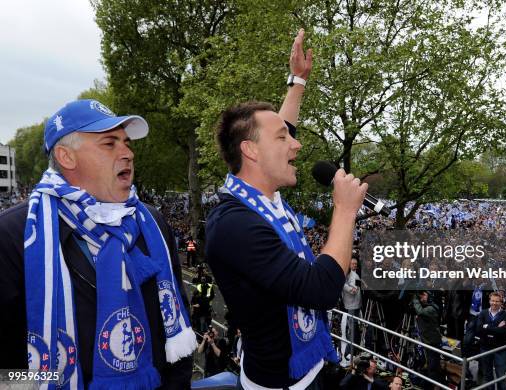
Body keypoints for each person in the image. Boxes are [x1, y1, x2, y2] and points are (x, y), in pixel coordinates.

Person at [205, 29, 368, 389]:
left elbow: (278, 128)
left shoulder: (257, 196)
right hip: (282, 382)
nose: (296, 145)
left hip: (305, 368)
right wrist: (344, 212)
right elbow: (322, 289)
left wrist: (297, 82)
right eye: (283, 138)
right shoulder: (233, 225)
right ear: (250, 151)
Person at [0, 99, 196, 388]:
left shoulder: (151, 222)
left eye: (127, 143)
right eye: (109, 143)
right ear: (66, 157)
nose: (128, 153)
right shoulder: (13, 235)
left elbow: (176, 321)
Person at [476, 292, 506, 390]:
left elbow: (503, 331)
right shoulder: (483, 313)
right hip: (485, 347)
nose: (494, 303)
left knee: (501, 374)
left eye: (497, 301)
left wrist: (487, 327)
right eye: (492, 301)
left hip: (500, 348)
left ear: (501, 303)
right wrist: (496, 328)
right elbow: (479, 329)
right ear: (489, 301)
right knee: (487, 374)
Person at [412, 291, 444, 390]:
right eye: (420, 296)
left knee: (433, 364)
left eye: (423, 295)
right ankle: (433, 382)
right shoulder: (427, 305)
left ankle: (435, 386)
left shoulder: (431, 308)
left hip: (432, 341)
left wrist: (415, 299)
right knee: (431, 363)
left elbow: (420, 311)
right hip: (427, 339)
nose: (421, 298)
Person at [342, 258, 362, 360]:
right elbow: (343, 284)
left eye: (355, 264)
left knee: (355, 328)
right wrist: (351, 289)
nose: (354, 265)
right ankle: (348, 352)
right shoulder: (346, 273)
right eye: (353, 263)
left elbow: (358, 285)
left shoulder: (356, 274)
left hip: (357, 304)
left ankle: (355, 349)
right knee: (352, 329)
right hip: (351, 305)